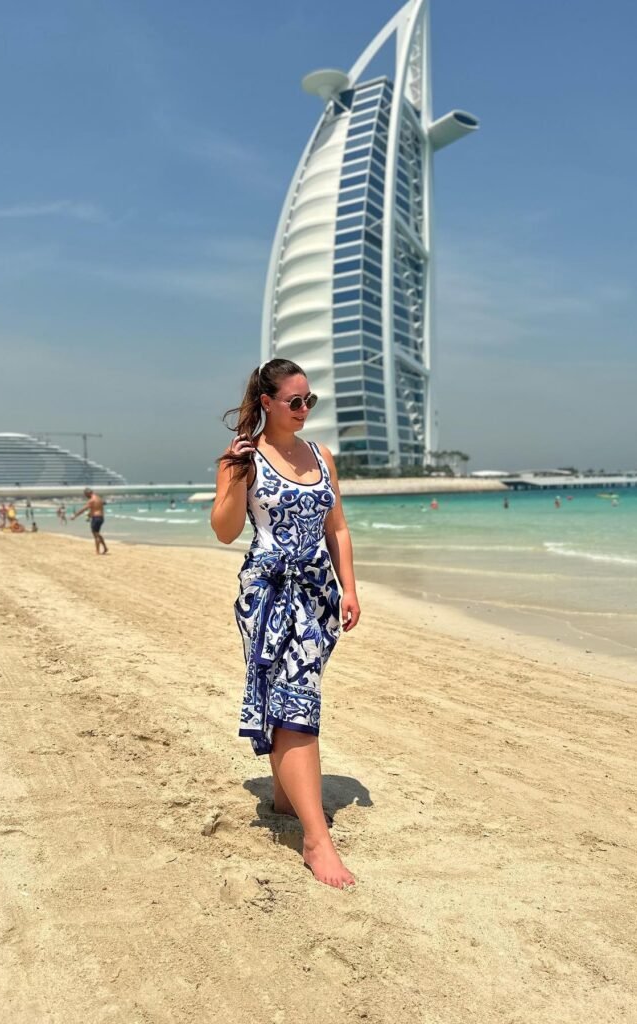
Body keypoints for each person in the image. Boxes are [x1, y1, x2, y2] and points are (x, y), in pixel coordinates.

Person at [211, 358, 360, 890]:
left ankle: (283, 795)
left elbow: (336, 526)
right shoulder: (243, 459)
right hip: (269, 593)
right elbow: (225, 530)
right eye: (294, 401)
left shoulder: (322, 455)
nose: (303, 410)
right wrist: (235, 476)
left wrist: (349, 586)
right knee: (297, 697)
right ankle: (317, 841)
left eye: (309, 401)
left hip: (318, 594)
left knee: (297, 692)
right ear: (268, 403)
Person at [71, 488, 108, 554]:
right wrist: (89, 515)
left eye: (86, 495)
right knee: (97, 533)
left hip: (96, 518)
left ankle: (97, 551)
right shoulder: (99, 498)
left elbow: (83, 509)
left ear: (88, 493)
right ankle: (105, 548)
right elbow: (96, 509)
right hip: (101, 518)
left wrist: (75, 516)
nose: (86, 496)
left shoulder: (91, 500)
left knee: (96, 535)